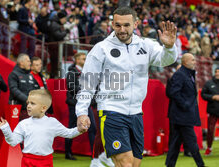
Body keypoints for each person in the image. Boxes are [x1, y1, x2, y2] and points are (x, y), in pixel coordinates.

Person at [76, 7, 178, 167]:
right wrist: (82, 112)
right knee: (126, 164)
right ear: (112, 24)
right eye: (117, 25)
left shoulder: (146, 45)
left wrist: (169, 47)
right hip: (111, 111)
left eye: (126, 25)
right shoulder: (101, 48)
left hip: (136, 113)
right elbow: (88, 83)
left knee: (134, 164)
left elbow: (165, 60)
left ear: (135, 23)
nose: (122, 30)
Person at [0, 89, 82, 167]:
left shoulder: (52, 122)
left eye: (32, 103)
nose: (28, 106)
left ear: (43, 108)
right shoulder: (23, 124)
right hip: (27, 161)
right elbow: (13, 142)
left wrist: (80, 129)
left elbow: (69, 134)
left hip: (46, 162)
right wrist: (6, 129)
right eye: (28, 103)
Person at [165, 53, 205, 167]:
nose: (195, 62)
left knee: (176, 143)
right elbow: (173, 92)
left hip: (181, 114)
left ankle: (170, 165)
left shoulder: (187, 74)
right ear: (185, 62)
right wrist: (185, 105)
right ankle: (200, 164)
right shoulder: (180, 74)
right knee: (192, 142)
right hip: (182, 115)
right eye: (192, 60)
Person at [65, 52, 96, 160]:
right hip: (74, 104)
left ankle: (94, 154)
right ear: (77, 60)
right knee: (72, 128)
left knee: (93, 127)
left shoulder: (87, 72)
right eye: (83, 58)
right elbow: (71, 87)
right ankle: (68, 152)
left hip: (86, 104)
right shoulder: (71, 73)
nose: (85, 60)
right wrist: (85, 90)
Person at [166, 63, 192, 157]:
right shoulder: (171, 80)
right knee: (174, 132)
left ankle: (188, 150)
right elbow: (169, 94)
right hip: (175, 110)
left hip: (186, 110)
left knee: (188, 131)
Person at [8, 53, 38, 121]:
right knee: (15, 129)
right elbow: (13, 89)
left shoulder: (30, 75)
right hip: (16, 107)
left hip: (28, 107)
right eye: (28, 61)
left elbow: (34, 89)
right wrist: (26, 99)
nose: (30, 63)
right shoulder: (13, 74)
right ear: (21, 63)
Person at [201, 67, 219, 156]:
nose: (217, 73)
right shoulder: (209, 83)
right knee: (210, 130)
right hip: (213, 110)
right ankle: (209, 148)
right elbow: (203, 95)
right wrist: (213, 97)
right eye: (216, 72)